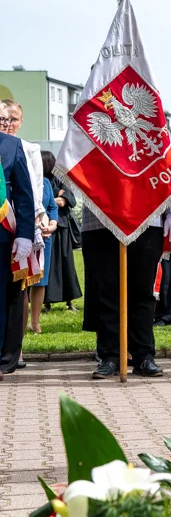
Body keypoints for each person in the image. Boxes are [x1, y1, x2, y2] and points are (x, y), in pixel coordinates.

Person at [84, 177, 171, 379]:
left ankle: (144, 355)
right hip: (100, 215)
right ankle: (110, 356)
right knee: (105, 291)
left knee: (144, 291)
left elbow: (166, 162)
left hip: (148, 214)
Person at [0, 103, 34, 378]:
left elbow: (24, 194)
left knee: (4, 298)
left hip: (2, 234)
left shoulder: (12, 146)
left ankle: (4, 357)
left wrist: (24, 233)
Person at [27, 152, 58, 334]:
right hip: (23, 236)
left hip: (45, 238)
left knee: (40, 281)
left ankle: (35, 322)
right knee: (22, 281)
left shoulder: (45, 183)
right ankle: (19, 321)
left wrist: (53, 224)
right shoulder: (18, 179)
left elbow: (52, 206)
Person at [44, 162, 82, 312]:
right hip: (46, 227)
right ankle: (47, 302)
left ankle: (69, 301)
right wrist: (56, 199)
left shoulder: (60, 180)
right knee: (48, 264)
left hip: (62, 227)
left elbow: (67, 200)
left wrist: (50, 200)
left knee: (66, 264)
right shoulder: (40, 181)